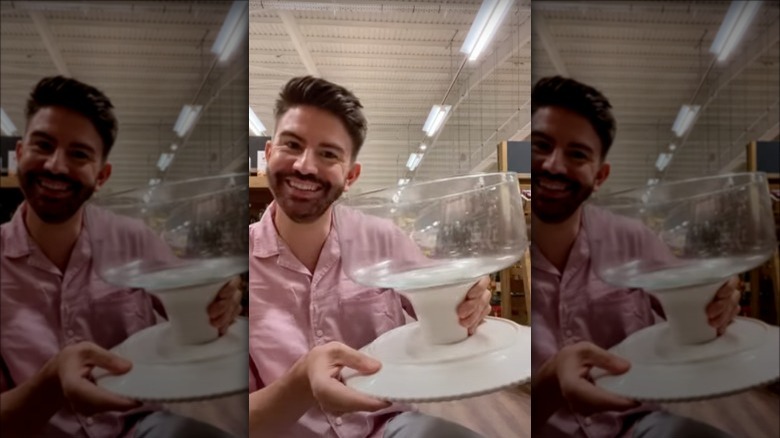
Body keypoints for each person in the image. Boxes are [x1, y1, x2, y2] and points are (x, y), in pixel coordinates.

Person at [248, 76, 492, 438]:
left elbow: (447, 308)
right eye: (292, 145)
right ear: (268, 154)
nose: (305, 166)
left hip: (389, 427)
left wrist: (469, 300)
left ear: (351, 175)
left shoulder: (383, 240)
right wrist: (301, 382)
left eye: (328, 154)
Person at [0, 76, 243, 438]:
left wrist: (221, 297)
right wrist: (52, 380)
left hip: (140, 427)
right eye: (43, 145)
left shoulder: (133, 239)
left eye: (78, 154)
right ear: (19, 155)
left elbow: (198, 301)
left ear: (102, 175)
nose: (55, 165)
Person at [529, 76, 742, 438]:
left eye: (577, 154)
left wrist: (717, 300)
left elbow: (695, 311)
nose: (553, 165)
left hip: (638, 425)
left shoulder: (633, 239)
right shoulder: (499, 256)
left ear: (600, 176)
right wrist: (550, 381)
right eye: (540, 145)